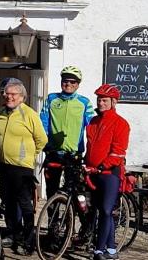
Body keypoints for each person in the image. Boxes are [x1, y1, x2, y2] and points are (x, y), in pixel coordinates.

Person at [0, 79, 48, 254]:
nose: (8, 97)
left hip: (22, 167)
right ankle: (12, 234)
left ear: (22, 97)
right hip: (4, 165)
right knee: (8, 202)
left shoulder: (29, 114)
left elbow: (42, 139)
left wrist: (29, 156)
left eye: (13, 94)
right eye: (6, 93)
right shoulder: (1, 112)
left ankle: (28, 239)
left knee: (25, 204)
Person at [85, 84, 130, 260]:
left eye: (104, 100)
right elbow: (90, 148)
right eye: (99, 100)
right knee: (100, 210)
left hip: (110, 173)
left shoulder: (121, 124)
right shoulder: (94, 122)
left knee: (105, 210)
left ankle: (99, 249)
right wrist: (86, 163)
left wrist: (103, 166)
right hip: (93, 173)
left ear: (113, 102)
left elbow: (118, 151)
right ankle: (111, 249)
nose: (101, 103)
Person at [41, 65, 95, 197]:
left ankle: (73, 215)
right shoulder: (52, 99)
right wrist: (45, 143)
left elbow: (92, 128)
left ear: (78, 84)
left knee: (74, 190)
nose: (68, 84)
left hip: (74, 152)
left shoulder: (84, 102)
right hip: (53, 151)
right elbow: (43, 121)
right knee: (51, 190)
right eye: (65, 81)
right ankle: (53, 217)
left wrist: (92, 151)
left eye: (73, 82)